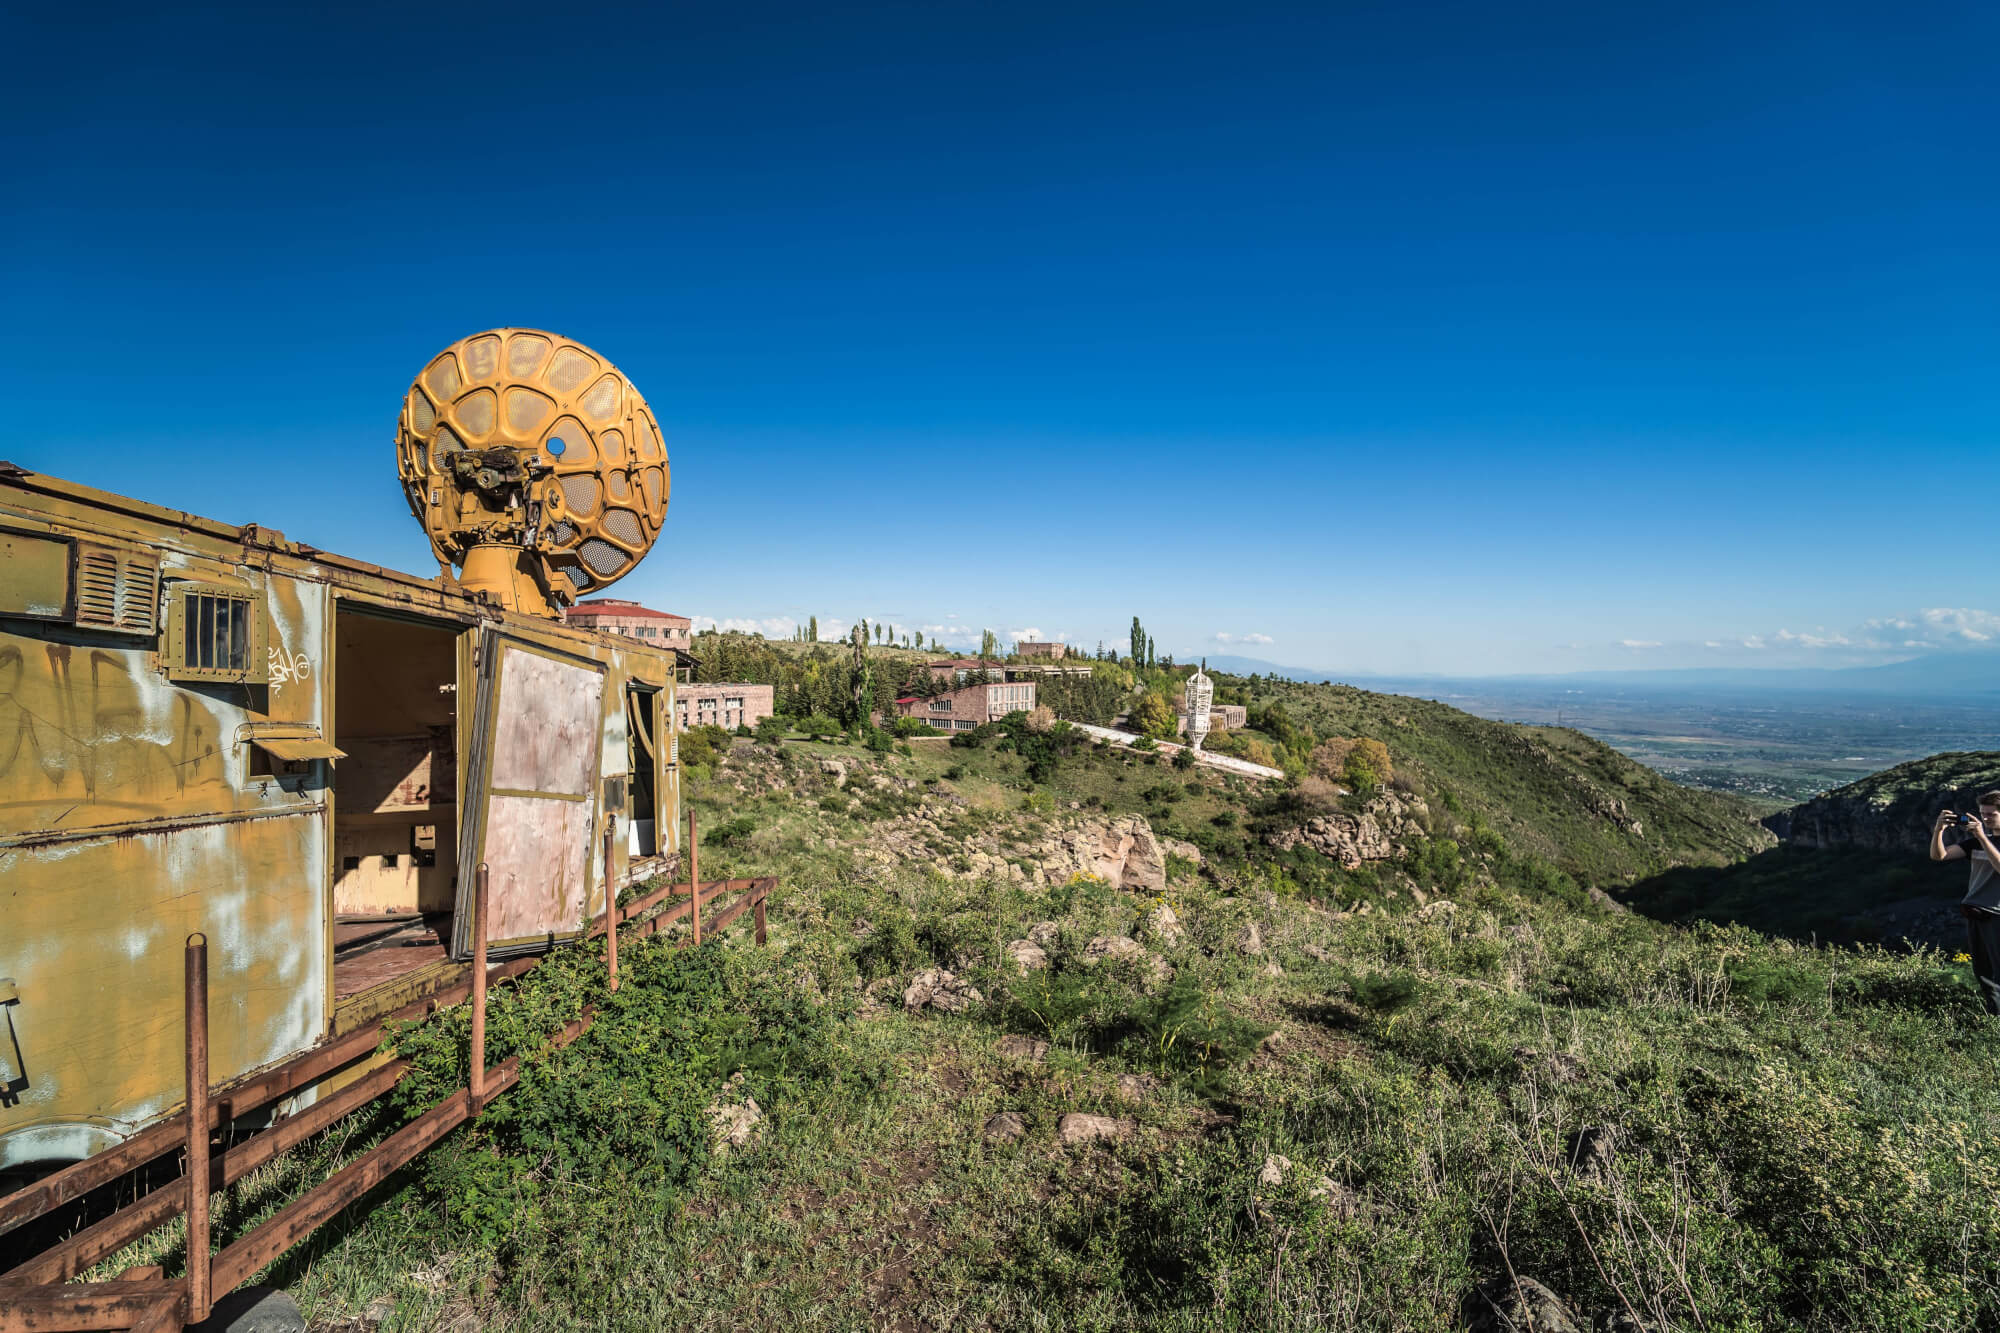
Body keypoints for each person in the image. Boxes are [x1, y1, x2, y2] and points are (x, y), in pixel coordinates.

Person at [1932, 791, 2000, 1014]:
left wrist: (1982, 837)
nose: (1986, 819)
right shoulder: (1975, 843)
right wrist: (1939, 830)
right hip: (1976, 913)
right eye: (1983, 814)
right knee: (1983, 972)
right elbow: (1939, 856)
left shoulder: (1981, 841)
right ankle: (1994, 1018)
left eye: (1991, 814)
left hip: (1997, 915)